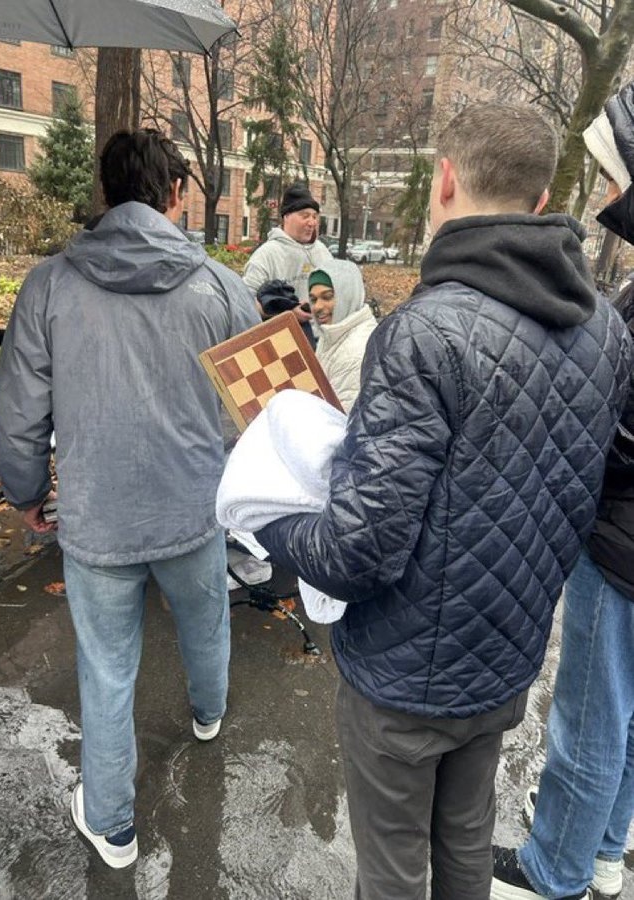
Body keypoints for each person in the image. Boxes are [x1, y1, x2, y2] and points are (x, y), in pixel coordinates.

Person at [252, 102, 632, 900]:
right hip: (504, 659)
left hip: (401, 678)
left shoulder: (425, 332)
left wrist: (268, 522)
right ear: (538, 201)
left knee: (390, 870)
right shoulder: (605, 328)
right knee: (462, 845)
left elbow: (361, 551)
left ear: (445, 181)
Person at [0, 129, 260, 869]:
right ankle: (208, 714)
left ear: (106, 194)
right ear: (176, 195)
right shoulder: (222, 287)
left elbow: (15, 412)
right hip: (194, 509)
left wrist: (25, 491)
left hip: (97, 516)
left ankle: (111, 824)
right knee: (205, 624)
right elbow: (262, 411)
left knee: (106, 666)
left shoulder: (50, 283)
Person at [492, 83, 634, 900]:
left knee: (589, 714)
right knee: (628, 714)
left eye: (614, 175)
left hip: (617, 544)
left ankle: (554, 872)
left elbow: (618, 437)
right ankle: (607, 851)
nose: (606, 194)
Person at [243, 181, 333, 344]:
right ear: (286, 217)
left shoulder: (323, 252)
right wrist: (287, 313)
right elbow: (244, 305)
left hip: (322, 343)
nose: (312, 222)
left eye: (314, 216)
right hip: (281, 345)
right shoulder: (266, 255)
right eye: (305, 216)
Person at [307, 259, 377, 413]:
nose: (317, 306)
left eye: (327, 297)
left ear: (347, 294)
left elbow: (340, 421)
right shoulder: (332, 334)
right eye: (313, 299)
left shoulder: (355, 349)